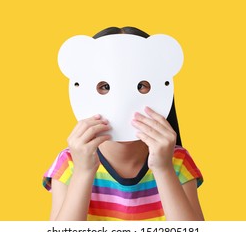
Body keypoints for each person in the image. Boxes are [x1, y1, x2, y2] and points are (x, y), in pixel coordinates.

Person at [43, 26, 204, 221]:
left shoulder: (176, 162)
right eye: (104, 86)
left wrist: (163, 169)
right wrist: (83, 171)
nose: (122, 101)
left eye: (140, 86)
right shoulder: (70, 162)